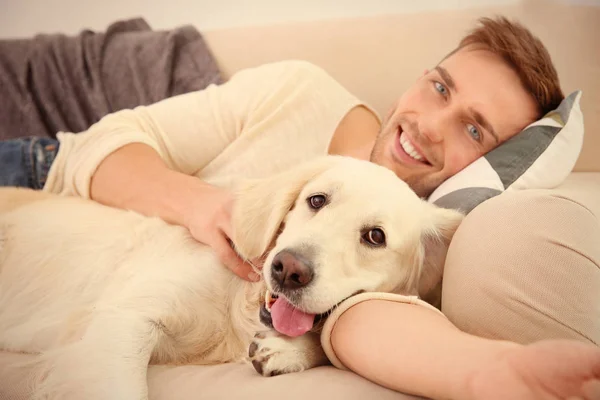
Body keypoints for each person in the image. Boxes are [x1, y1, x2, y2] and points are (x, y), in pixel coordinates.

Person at [1, 16, 598, 399]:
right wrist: (206, 205)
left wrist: (492, 370)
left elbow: (381, 323)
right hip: (38, 164)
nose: (430, 125)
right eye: (440, 89)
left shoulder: (415, 239)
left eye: (473, 130)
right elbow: (92, 149)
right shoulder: (300, 91)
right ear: (420, 79)